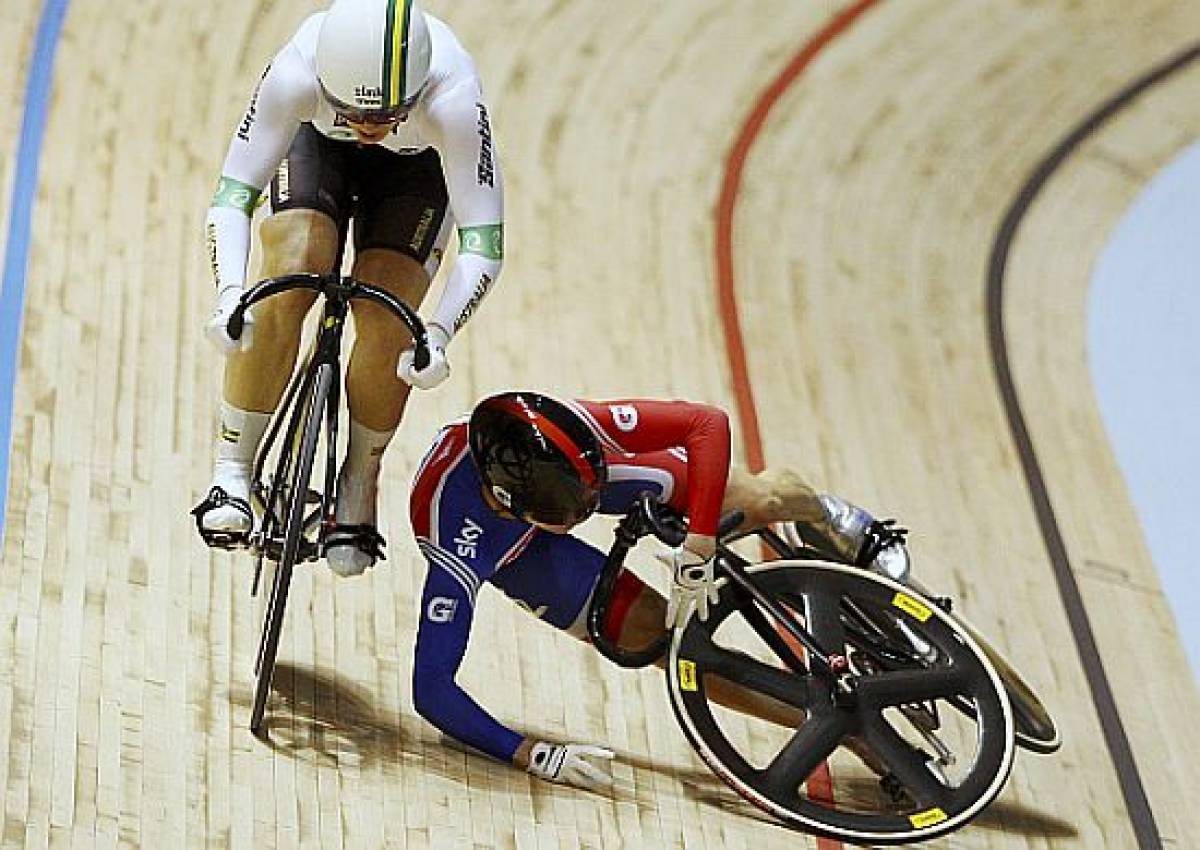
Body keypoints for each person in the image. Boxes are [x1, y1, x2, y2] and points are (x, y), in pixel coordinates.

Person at [408, 391, 910, 790]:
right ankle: (844, 731)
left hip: (586, 470)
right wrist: (531, 755)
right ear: (509, 503)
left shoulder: (577, 429)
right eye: (571, 512)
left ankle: (830, 516)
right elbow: (431, 691)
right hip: (520, 555)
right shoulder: (457, 544)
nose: (583, 515)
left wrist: (700, 540)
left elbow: (706, 423)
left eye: (584, 504)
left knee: (759, 499)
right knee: (667, 647)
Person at [192, 0, 504, 576]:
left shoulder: (455, 98)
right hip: (317, 151)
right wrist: (230, 291)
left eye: (387, 115)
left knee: (389, 314)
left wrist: (437, 332)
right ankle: (232, 472)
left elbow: (483, 243)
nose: (368, 130)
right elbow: (234, 195)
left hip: (417, 174)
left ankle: (358, 481)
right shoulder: (295, 73)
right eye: (355, 114)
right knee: (291, 264)